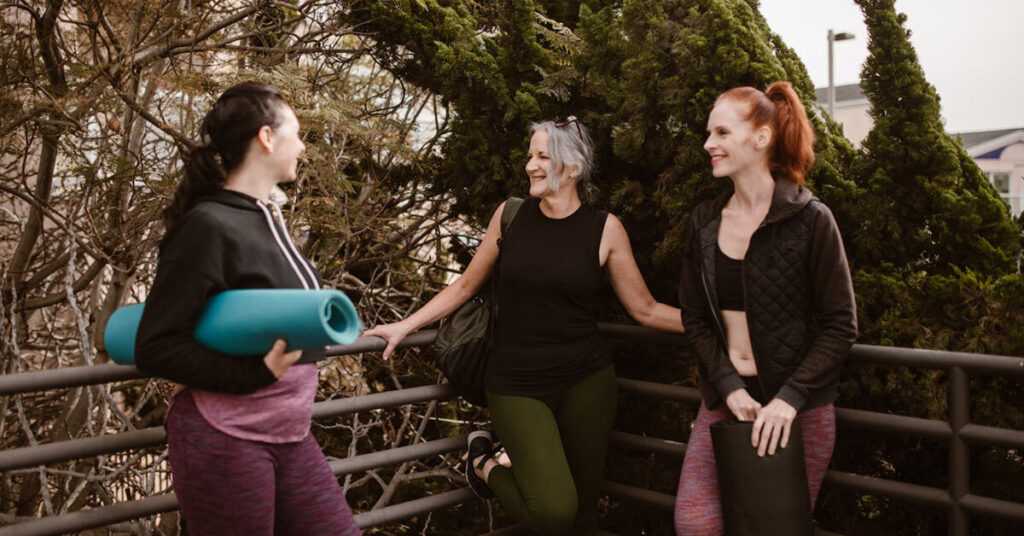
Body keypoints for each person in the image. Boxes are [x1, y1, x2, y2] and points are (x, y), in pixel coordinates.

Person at [364, 116, 684, 535]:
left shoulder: (605, 229)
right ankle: (482, 464)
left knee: (583, 517)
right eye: (530, 155)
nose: (530, 165)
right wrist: (406, 325)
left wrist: (711, 325)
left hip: (587, 383)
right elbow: (464, 286)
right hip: (515, 384)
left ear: (572, 168)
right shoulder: (510, 216)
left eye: (542, 157)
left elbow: (644, 309)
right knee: (553, 511)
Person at [134, 82, 361, 536]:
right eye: (296, 133)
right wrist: (252, 374)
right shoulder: (208, 225)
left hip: (289, 432)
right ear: (266, 138)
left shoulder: (266, 217)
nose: (302, 146)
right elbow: (155, 345)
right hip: (225, 436)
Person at [673, 82, 857, 535]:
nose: (708, 144)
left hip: (798, 412)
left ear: (761, 138)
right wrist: (728, 385)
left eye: (721, 133)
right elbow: (694, 317)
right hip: (727, 403)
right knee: (694, 523)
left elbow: (840, 325)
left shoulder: (812, 219)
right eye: (709, 133)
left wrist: (789, 400)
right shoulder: (704, 221)